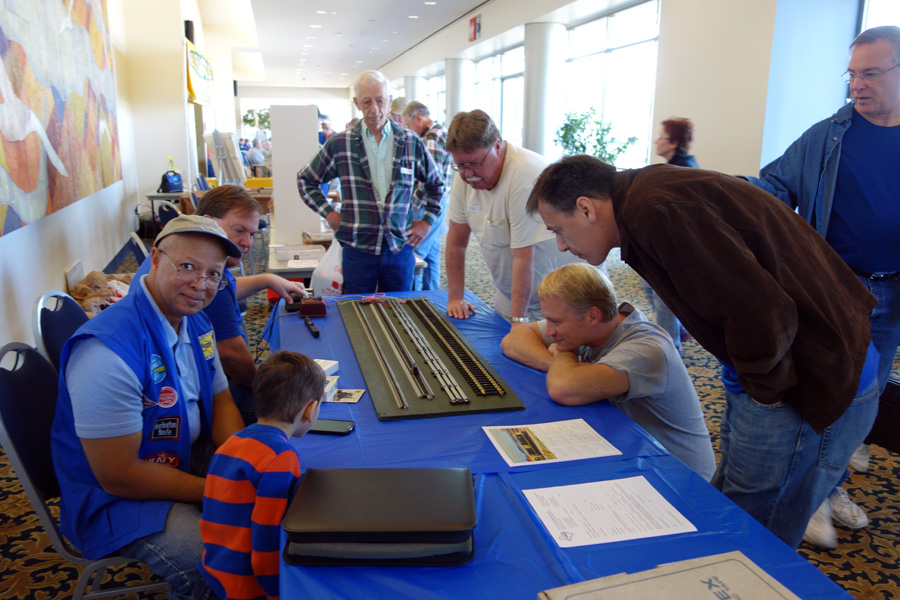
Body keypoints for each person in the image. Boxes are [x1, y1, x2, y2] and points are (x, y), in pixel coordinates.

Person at [525, 155, 880, 550]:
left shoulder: (656, 211)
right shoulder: (644, 199)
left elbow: (765, 314)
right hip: (786, 371)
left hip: (806, 382)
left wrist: (762, 398)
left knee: (753, 528)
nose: (560, 244)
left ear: (586, 208)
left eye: (559, 230)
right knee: (727, 503)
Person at [744, 25, 900, 549]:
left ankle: (826, 487)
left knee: (867, 401)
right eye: (853, 74)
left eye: (871, 73)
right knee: (830, 396)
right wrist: (726, 194)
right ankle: (809, 494)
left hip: (893, 294)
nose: (857, 85)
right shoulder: (829, 134)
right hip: (837, 292)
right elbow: (773, 185)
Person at [51, 215, 247, 599]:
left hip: (179, 456)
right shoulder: (106, 352)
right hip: (114, 497)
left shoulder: (196, 322)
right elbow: (119, 475)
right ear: (155, 259)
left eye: (214, 274)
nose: (200, 285)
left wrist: (241, 463)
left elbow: (222, 399)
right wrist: (219, 490)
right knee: (211, 561)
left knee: (280, 479)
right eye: (188, 267)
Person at [500, 263, 716, 480]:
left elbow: (563, 388)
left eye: (556, 321)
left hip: (680, 477)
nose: (549, 330)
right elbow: (514, 339)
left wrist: (565, 355)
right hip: (638, 452)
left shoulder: (646, 349)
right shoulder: (594, 326)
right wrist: (559, 365)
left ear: (592, 316)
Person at [130, 186, 307, 426]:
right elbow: (231, 355)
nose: (247, 243)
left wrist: (267, 279)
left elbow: (226, 290)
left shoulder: (174, 265)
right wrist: (270, 392)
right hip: (184, 398)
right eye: (238, 230)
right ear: (208, 222)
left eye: (252, 234)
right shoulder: (207, 282)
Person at [297, 70, 445, 294]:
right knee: (355, 314)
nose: (374, 110)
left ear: (390, 101)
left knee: (400, 315)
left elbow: (436, 185)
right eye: (367, 102)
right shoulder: (340, 144)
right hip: (358, 249)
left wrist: (426, 222)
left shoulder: (410, 141)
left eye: (380, 101)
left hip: (399, 248)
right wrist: (328, 212)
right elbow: (306, 179)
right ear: (357, 103)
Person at [199, 350, 325, 600]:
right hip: (248, 587)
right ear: (310, 410)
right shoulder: (280, 458)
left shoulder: (231, 442)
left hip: (215, 570)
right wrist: (277, 591)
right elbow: (267, 538)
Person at [444, 109, 585, 325]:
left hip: (566, 297)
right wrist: (455, 298)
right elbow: (456, 241)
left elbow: (523, 256)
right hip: (513, 291)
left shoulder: (524, 174)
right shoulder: (465, 176)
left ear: (498, 146)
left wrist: (518, 321)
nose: (468, 173)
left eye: (474, 164)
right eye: (460, 165)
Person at [642, 117, 699, 354]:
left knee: (661, 293)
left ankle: (671, 349)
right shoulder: (682, 164)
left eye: (661, 137)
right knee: (650, 284)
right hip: (674, 244)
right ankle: (681, 326)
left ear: (673, 142)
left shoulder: (677, 171)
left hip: (676, 248)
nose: (656, 141)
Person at [401, 100, 453, 290]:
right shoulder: (441, 131)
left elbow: (432, 180)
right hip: (439, 203)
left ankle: (412, 299)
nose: (408, 129)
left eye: (408, 125)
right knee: (431, 255)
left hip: (426, 205)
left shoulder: (432, 136)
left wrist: (414, 205)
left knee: (415, 255)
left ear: (418, 118)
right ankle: (433, 298)